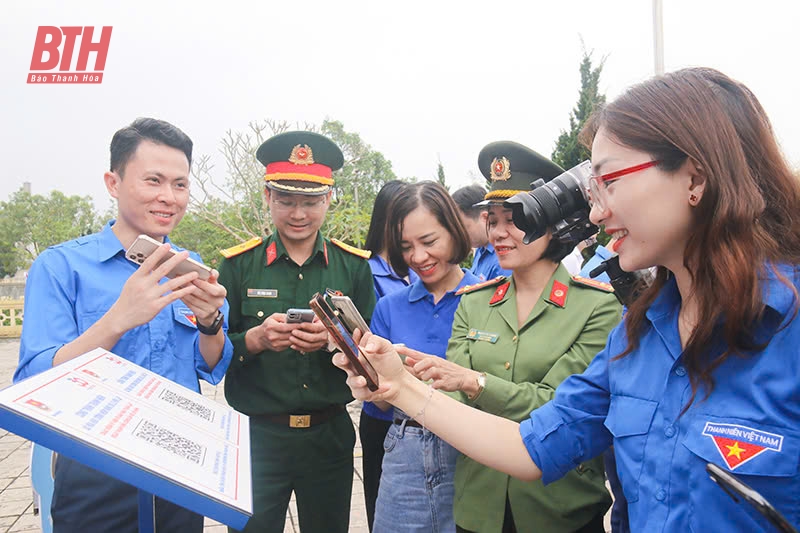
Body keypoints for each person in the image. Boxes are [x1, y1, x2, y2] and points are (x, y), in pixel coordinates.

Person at [333, 67, 800, 532]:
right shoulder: (639, 335)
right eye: (592, 190)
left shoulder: (787, 328)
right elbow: (530, 447)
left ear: (694, 179)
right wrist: (401, 387)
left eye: (610, 182)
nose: (596, 212)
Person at [14, 117, 234, 533]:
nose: (168, 197)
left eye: (180, 184)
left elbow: (209, 365)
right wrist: (118, 319)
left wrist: (210, 321)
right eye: (153, 180)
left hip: (180, 469)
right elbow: (34, 379)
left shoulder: (188, 267)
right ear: (113, 183)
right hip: (96, 469)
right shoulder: (61, 266)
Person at [401, 142, 620, 532]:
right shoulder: (474, 303)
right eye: (493, 219)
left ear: (552, 220)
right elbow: (451, 400)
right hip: (479, 508)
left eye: (515, 219)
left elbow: (558, 406)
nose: (500, 233)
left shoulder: (598, 307)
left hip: (559, 509)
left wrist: (475, 382)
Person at [217, 131, 376, 533]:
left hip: (329, 437)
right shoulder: (238, 266)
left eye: (311, 201)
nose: (298, 213)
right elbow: (213, 349)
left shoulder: (352, 267)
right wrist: (255, 339)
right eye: (286, 200)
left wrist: (331, 341)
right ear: (268, 197)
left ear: (329, 199)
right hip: (257, 437)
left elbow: (372, 354)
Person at [369, 181, 478, 533]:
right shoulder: (388, 308)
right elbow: (378, 406)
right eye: (406, 247)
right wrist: (368, 380)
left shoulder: (489, 300)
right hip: (406, 452)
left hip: (472, 452)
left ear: (453, 231)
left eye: (429, 242)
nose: (418, 257)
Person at [360, 179, 418, 531]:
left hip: (429, 412)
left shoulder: (417, 270)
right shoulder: (365, 271)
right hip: (384, 415)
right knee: (385, 511)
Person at [452, 184, 511, 281]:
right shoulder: (480, 250)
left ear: (485, 218)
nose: (459, 234)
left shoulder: (503, 259)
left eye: (462, 227)